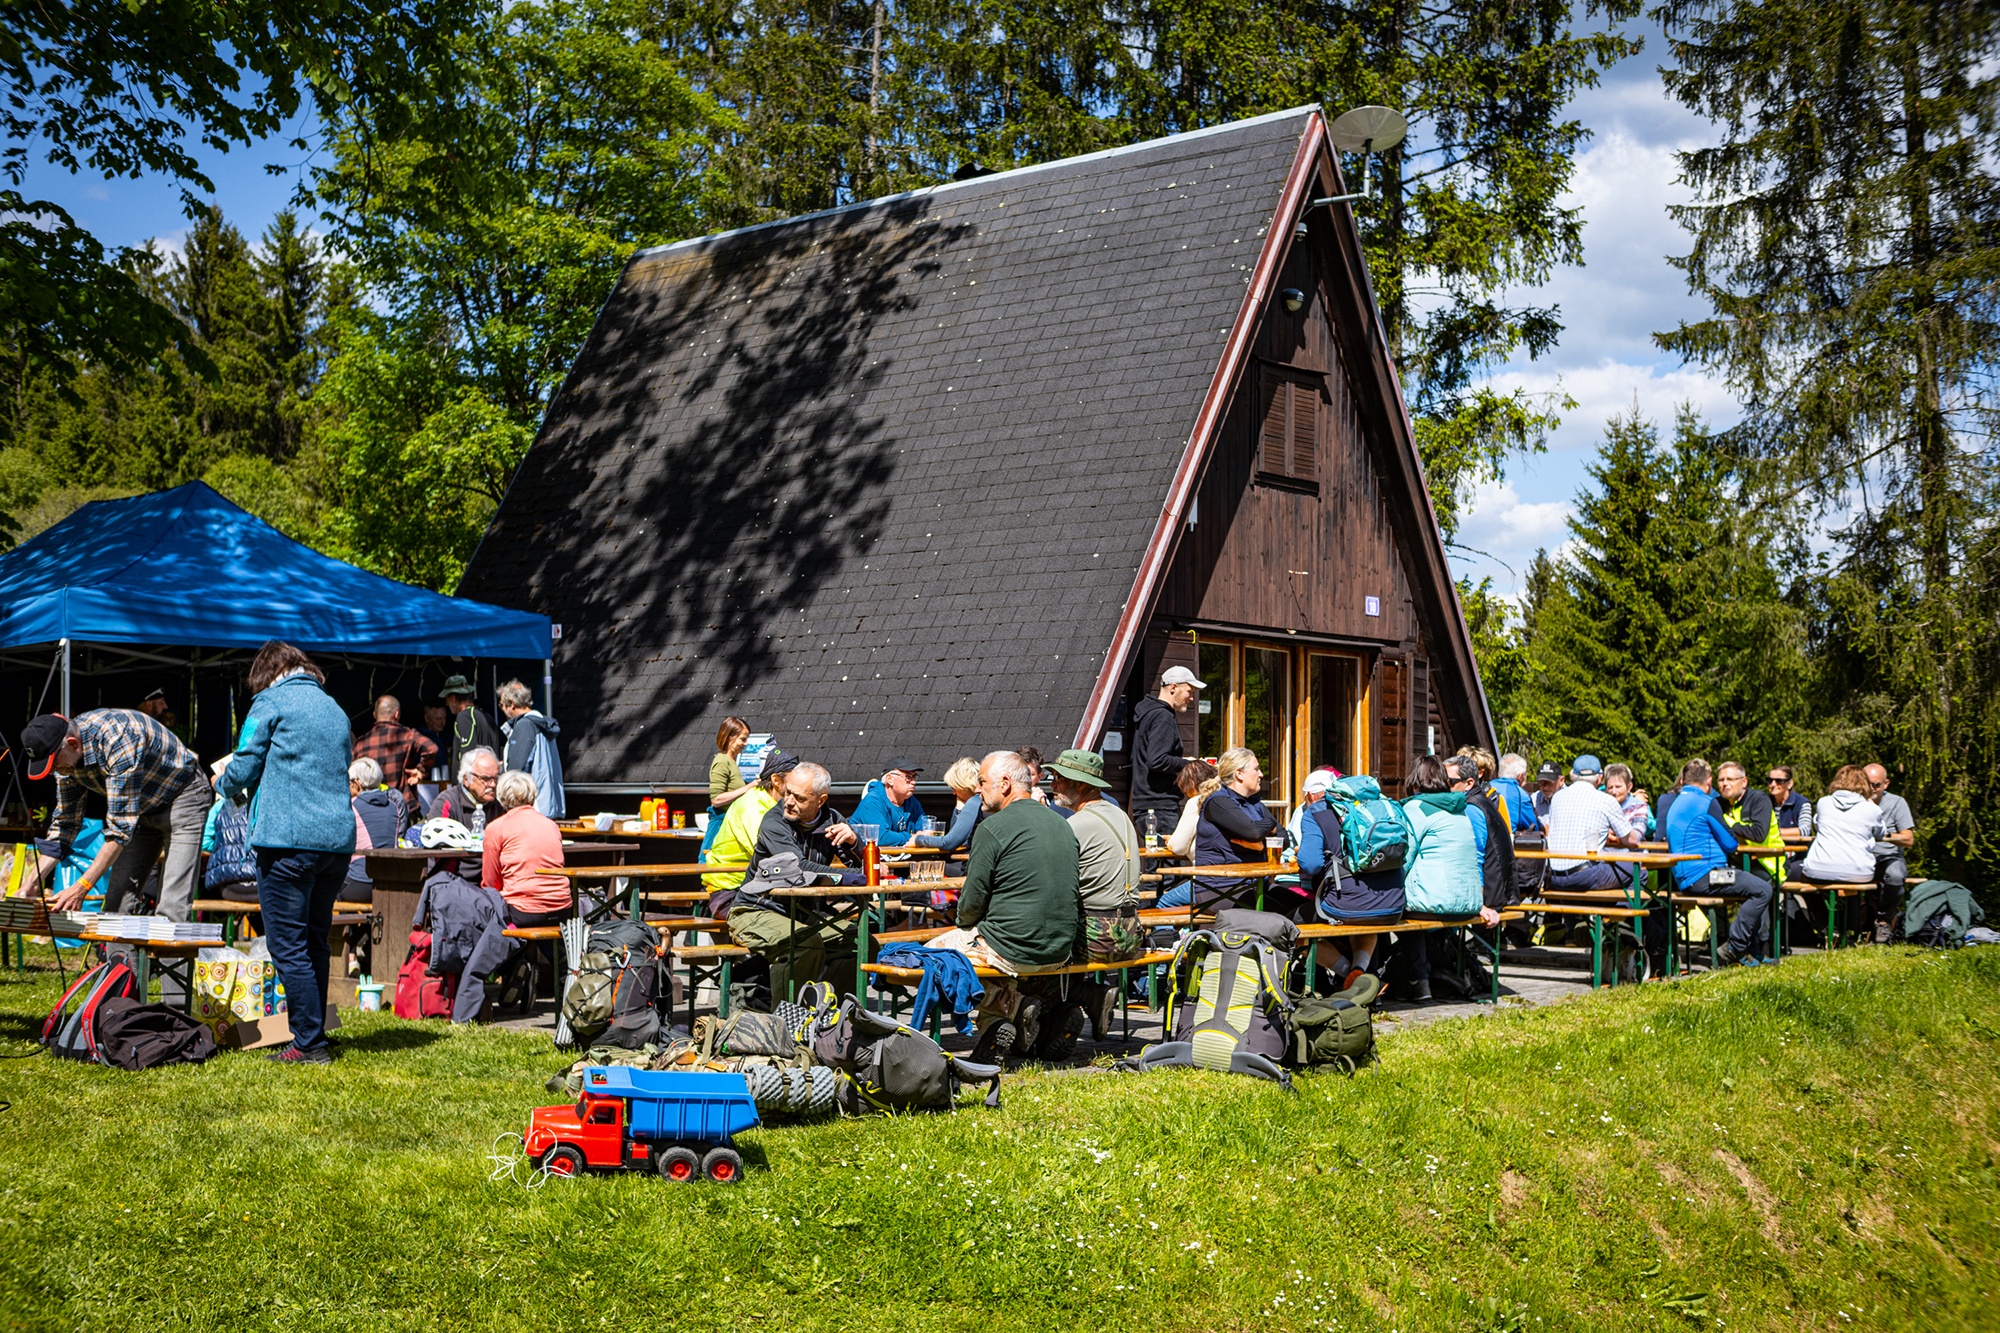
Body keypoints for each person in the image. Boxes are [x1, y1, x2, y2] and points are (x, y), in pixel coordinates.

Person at [214, 641, 356, 1065]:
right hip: (335, 843)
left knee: (287, 945)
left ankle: (310, 1044)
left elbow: (244, 762)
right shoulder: (335, 709)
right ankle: (315, 1035)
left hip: (287, 840)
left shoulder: (269, 702)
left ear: (267, 672)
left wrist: (222, 783)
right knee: (314, 939)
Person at [936, 751, 1084, 1064]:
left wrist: (961, 919)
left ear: (1004, 784)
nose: (978, 789)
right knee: (989, 947)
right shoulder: (1063, 826)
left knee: (931, 958)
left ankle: (999, 1017)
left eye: (982, 782)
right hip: (1060, 949)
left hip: (1013, 947)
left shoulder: (993, 828)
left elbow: (971, 905)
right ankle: (1008, 1017)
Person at [24, 708, 211, 926]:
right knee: (117, 903)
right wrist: (32, 881)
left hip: (184, 797)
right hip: (141, 809)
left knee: (171, 909)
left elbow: (120, 830)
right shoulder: (66, 763)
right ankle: (119, 961)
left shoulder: (118, 739)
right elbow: (65, 825)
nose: (53, 771)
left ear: (73, 744)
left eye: (54, 764)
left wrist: (82, 887)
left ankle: (167, 960)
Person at [728, 761, 861, 1001]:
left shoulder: (832, 819)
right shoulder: (774, 822)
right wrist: (851, 878)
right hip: (756, 909)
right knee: (805, 945)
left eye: (798, 798)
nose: (788, 801)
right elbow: (797, 867)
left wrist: (855, 843)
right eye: (787, 792)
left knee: (861, 943)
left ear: (820, 800)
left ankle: (834, 1021)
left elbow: (862, 867)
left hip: (803, 912)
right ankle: (786, 1027)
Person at [1048, 749, 1141, 1043]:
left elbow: (1051, 880)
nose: (1053, 786)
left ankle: (1087, 996)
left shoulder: (1076, 825)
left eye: (1060, 780)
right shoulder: (1120, 815)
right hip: (1131, 933)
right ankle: (1073, 1009)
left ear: (1083, 786)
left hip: (1097, 936)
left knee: (1026, 952)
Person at [1401, 755, 1503, 1001]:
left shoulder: (1416, 808)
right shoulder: (1460, 808)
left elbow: (1404, 858)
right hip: (1469, 904)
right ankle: (1439, 974)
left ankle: (1418, 981)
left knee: (1392, 910)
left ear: (1415, 783)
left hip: (1437, 904)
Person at [1298, 769, 1405, 993]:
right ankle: (1361, 971)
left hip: (1343, 905)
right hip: (1392, 904)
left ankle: (1351, 974)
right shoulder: (1384, 805)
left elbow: (1310, 864)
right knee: (1367, 915)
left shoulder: (1316, 811)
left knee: (1291, 929)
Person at [1663, 758, 1774, 967]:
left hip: (1684, 877)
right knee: (1762, 889)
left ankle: (1748, 951)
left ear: (1683, 780)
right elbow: (1730, 843)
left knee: (1748, 885)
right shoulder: (1707, 803)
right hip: (1709, 875)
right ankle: (1735, 946)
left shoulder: (1675, 802)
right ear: (1709, 781)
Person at [1797, 765, 1889, 939]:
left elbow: (1817, 824)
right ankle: (1852, 930)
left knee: (1798, 880)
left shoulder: (1824, 802)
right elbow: (1881, 832)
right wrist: (1868, 801)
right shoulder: (1871, 809)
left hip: (1820, 869)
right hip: (1859, 871)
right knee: (1851, 880)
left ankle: (1826, 927)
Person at [702, 751, 790, 914]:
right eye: (793, 783)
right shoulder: (753, 806)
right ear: (776, 781)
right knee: (789, 918)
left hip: (754, 887)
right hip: (729, 892)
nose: (796, 791)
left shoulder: (774, 804)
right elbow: (767, 852)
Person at [1190, 747, 1278, 911]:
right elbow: (1253, 832)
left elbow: (1283, 839)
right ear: (1239, 774)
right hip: (1221, 890)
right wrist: (1269, 824)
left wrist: (1261, 846)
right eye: (1256, 769)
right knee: (1289, 918)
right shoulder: (1218, 803)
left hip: (1254, 885)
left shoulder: (1254, 803)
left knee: (1307, 908)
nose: (1261, 775)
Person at [481, 771, 572, 927]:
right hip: (562, 909)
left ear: (501, 797)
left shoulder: (497, 828)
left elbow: (490, 882)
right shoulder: (550, 825)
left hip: (522, 911)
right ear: (532, 795)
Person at [1543, 755, 1638, 893]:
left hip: (1553, 876)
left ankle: (1579, 914)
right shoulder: (1606, 800)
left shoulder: (1557, 797)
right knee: (1637, 870)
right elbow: (1631, 840)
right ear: (1600, 778)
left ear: (1572, 776)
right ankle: (1616, 913)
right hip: (1583, 875)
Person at [1129, 665, 1204, 831]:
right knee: (1165, 856)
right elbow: (1156, 760)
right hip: (1159, 806)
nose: (1191, 698)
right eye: (1189, 692)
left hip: (1149, 804)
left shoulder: (1149, 713)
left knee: (1156, 856)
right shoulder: (1163, 716)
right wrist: (1187, 763)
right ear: (1173, 687)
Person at [352, 695, 438, 816]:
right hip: (404, 809)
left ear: (374, 715)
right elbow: (431, 748)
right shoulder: (408, 735)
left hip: (372, 811)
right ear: (397, 714)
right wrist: (420, 771)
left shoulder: (360, 744)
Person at [430, 746, 502, 879]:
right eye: (486, 779)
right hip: (457, 881)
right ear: (466, 780)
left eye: (496, 778)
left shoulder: (499, 806)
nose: (492, 784)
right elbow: (437, 853)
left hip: (493, 881)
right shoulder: (447, 802)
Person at [497, 679, 564, 818]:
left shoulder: (525, 726)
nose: (502, 709)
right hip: (549, 805)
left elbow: (515, 772)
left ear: (512, 703)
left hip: (533, 809)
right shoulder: (543, 724)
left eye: (502, 705)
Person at [1863, 763, 1914, 941]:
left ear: (1886, 784)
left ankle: (1884, 921)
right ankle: (1844, 928)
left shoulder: (1897, 803)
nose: (1871, 789)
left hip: (1887, 857)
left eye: (1876, 785)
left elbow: (1908, 839)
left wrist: (1886, 835)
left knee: (1896, 875)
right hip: (1860, 857)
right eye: (1867, 783)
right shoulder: (1855, 803)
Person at [343, 757, 405, 904]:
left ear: (357, 784)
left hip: (359, 884)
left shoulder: (350, 806)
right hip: (389, 884)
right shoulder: (393, 806)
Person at [700, 716, 754, 856]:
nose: (746, 743)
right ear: (730, 737)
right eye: (743, 739)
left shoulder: (732, 762)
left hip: (728, 825)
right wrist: (748, 788)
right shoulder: (722, 761)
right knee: (710, 868)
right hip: (719, 825)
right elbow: (716, 800)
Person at [847, 757, 926, 844]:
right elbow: (881, 838)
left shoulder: (912, 802)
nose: (913, 782)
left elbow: (926, 832)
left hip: (901, 855)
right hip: (868, 856)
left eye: (914, 777)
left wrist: (921, 837)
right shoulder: (873, 801)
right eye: (908, 777)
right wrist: (914, 838)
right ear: (889, 779)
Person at [913, 757, 982, 852]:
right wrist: (958, 809)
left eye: (954, 788)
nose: (953, 793)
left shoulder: (975, 802)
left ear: (964, 786)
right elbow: (958, 839)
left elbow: (948, 843)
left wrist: (918, 839)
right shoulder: (983, 801)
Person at [439, 675, 502, 777]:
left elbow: (468, 754)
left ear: (453, 698)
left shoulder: (464, 717)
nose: (446, 704)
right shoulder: (486, 716)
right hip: (489, 780)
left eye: (447, 699)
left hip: (473, 785)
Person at [1163, 760, 1215, 863]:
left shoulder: (1196, 802)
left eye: (1185, 790)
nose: (1186, 794)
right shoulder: (1223, 797)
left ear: (1192, 783)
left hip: (1205, 872)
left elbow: (1178, 846)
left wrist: (1171, 842)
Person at [1494, 753, 1540, 834]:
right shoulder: (1520, 795)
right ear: (1520, 776)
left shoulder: (1485, 787)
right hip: (1506, 842)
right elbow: (1533, 827)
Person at [1768, 765, 1814, 837]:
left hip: (1795, 847)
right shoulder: (1763, 803)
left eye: (1779, 781)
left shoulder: (1802, 803)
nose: (1773, 784)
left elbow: (1805, 830)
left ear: (1790, 783)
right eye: (1770, 780)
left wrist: (1775, 832)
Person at [1531, 760, 1563, 826]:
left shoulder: (1569, 799)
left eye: (1549, 783)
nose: (1545, 787)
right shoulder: (1534, 799)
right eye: (1541, 783)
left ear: (1561, 780)